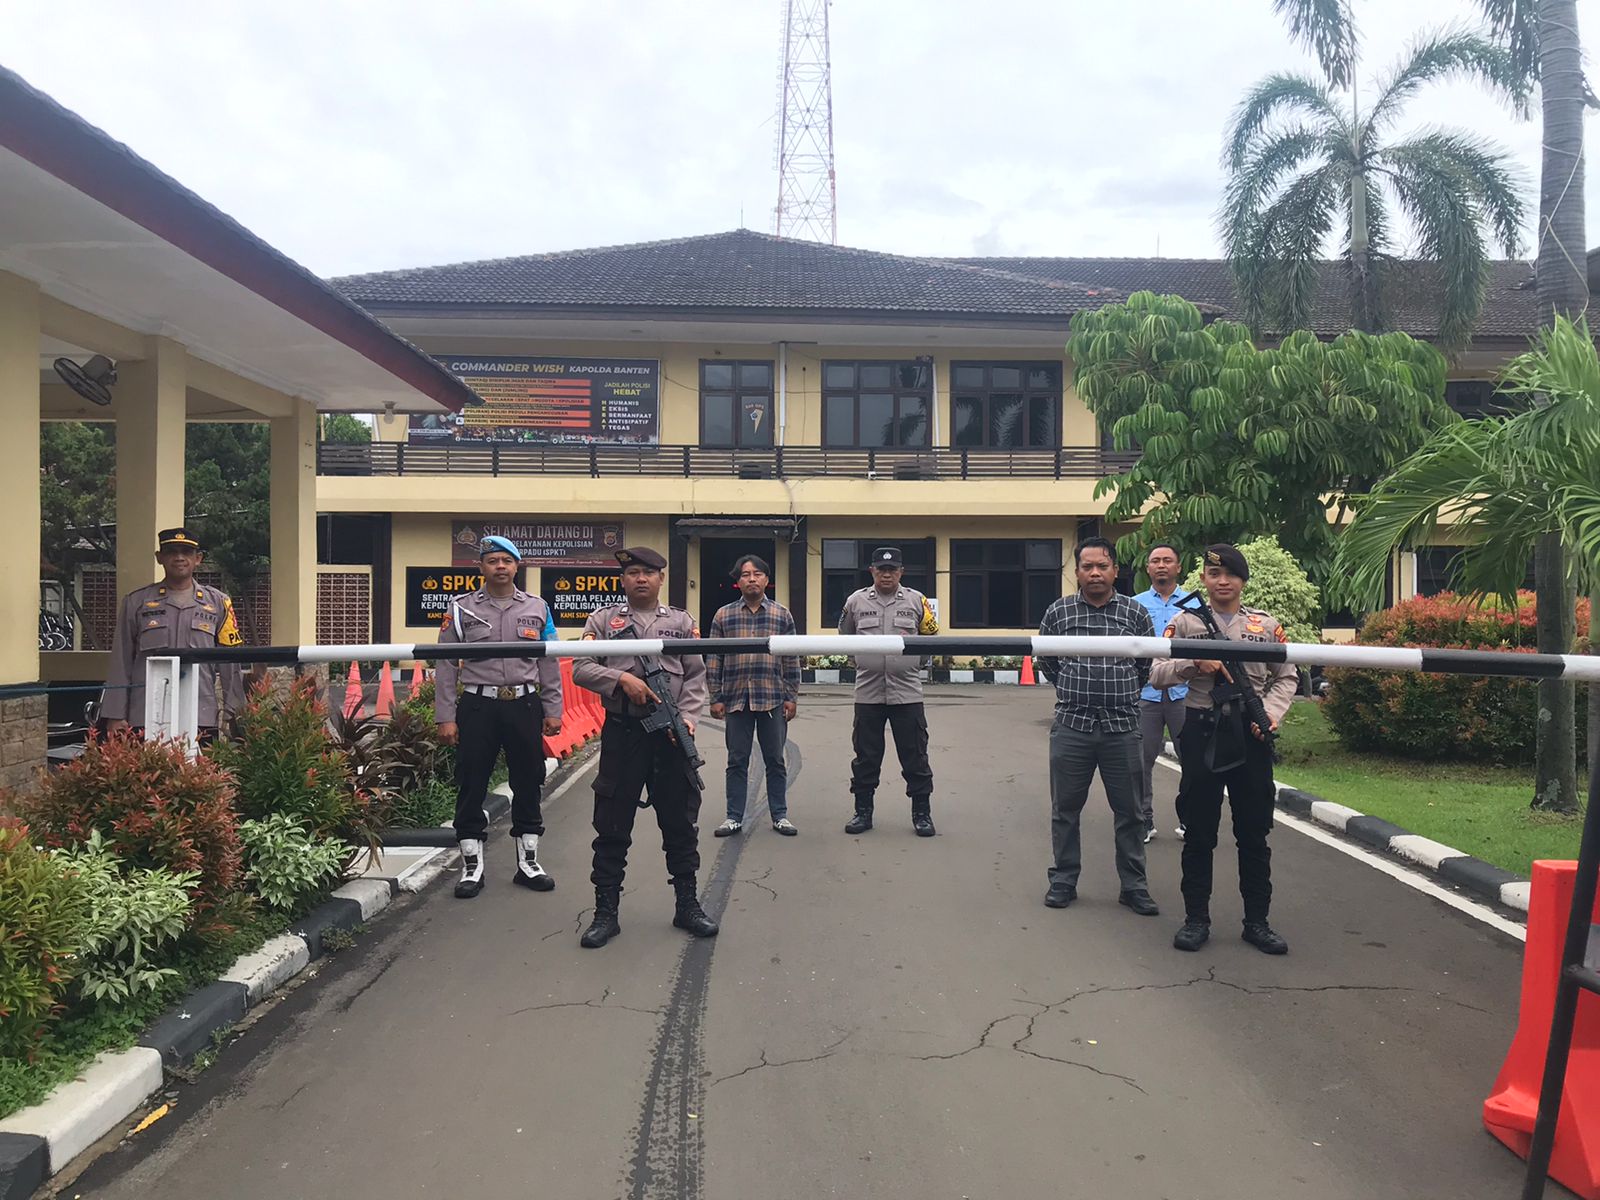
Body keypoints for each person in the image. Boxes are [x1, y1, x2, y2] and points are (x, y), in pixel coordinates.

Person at [1150, 543, 1299, 956]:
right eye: (1214, 574)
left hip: (1251, 732)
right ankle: (1196, 919)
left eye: (1231, 574)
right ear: (1203, 579)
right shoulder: (1185, 622)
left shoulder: (1264, 626)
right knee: (1199, 831)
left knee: (1254, 832)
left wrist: (1271, 715)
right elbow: (1156, 672)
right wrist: (1194, 664)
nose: (1222, 581)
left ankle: (1257, 923)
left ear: (1243, 581)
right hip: (1202, 729)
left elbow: (1287, 676)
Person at [572, 546, 716, 949]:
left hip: (671, 735)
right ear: (623, 579)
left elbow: (695, 676)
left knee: (680, 823)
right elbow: (581, 668)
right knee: (612, 823)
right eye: (633, 572)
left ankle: (687, 905)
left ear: (660, 579)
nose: (640, 578)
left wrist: (688, 719)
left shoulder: (681, 622)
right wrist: (621, 680)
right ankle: (606, 912)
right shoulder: (603, 620)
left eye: (648, 573)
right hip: (624, 733)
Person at [1034, 537, 1160, 916]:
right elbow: (1048, 662)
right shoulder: (1058, 613)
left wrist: (1117, 692)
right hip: (1073, 725)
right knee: (1065, 810)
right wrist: (1076, 688)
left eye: (1102, 566)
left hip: (1122, 727)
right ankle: (1063, 880)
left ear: (1115, 571)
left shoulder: (1135, 614)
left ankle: (1134, 886)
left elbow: (1145, 666)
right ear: (1076, 572)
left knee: (1131, 812)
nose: (1094, 573)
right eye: (1087, 567)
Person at [434, 536, 564, 900]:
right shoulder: (460, 608)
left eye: (507, 560)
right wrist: (445, 716)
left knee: (529, 780)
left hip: (524, 704)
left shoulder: (538, 607)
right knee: (471, 781)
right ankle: (471, 867)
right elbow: (445, 665)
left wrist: (553, 709)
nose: (500, 567)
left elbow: (549, 661)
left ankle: (529, 863)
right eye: (493, 561)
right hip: (478, 706)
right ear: (481, 567)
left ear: (517, 565)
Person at [102, 527, 246, 739]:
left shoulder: (218, 603)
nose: (179, 558)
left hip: (200, 714)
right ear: (159, 557)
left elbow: (230, 662)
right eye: (171, 552)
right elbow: (121, 660)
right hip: (147, 713)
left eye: (186, 552)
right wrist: (115, 714)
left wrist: (235, 712)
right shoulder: (136, 602)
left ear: (198, 559)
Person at [838, 547, 940, 836]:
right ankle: (862, 812)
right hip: (868, 692)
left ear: (901, 572)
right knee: (866, 757)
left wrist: (913, 664)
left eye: (892, 570)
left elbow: (931, 637)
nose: (886, 574)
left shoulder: (916, 601)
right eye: (881, 569)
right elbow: (845, 635)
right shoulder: (856, 601)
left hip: (907, 692)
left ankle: (922, 814)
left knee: (915, 756)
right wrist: (861, 661)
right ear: (872, 571)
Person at [707, 555, 800, 837]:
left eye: (757, 574)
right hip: (736, 698)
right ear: (738, 581)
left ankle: (780, 815)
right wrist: (715, 696)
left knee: (775, 760)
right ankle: (733, 817)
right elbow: (714, 658)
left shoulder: (781, 615)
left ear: (766, 580)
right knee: (737, 760)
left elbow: (791, 658)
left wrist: (791, 696)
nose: (751, 579)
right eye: (745, 574)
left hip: (772, 697)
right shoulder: (723, 615)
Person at [1132, 543, 1192, 843]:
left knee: (1192, 759)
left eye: (1168, 560)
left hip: (1186, 694)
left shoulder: (1193, 604)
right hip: (1147, 695)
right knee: (1141, 761)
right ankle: (1144, 820)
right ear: (1148, 568)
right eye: (1155, 560)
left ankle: (1190, 819)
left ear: (1178, 567)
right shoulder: (1135, 605)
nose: (1161, 565)